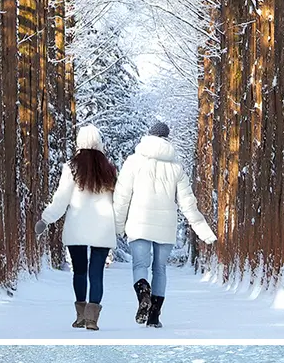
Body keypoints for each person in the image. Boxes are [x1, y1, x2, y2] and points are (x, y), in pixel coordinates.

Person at [113, 121, 216, 327]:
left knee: (140, 265)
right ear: (167, 139)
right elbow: (188, 204)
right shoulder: (176, 168)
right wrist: (205, 232)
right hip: (166, 226)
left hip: (139, 224)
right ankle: (154, 316)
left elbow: (121, 198)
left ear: (148, 136)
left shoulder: (133, 162)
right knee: (159, 269)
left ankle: (143, 294)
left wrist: (116, 228)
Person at [35, 125, 117, 331]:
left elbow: (61, 199)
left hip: (77, 226)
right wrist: (122, 224)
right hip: (103, 227)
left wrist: (46, 219)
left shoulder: (71, 167)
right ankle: (92, 319)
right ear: (99, 142)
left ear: (79, 142)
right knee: (96, 272)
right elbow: (119, 200)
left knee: (79, 271)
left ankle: (80, 316)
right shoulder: (109, 169)